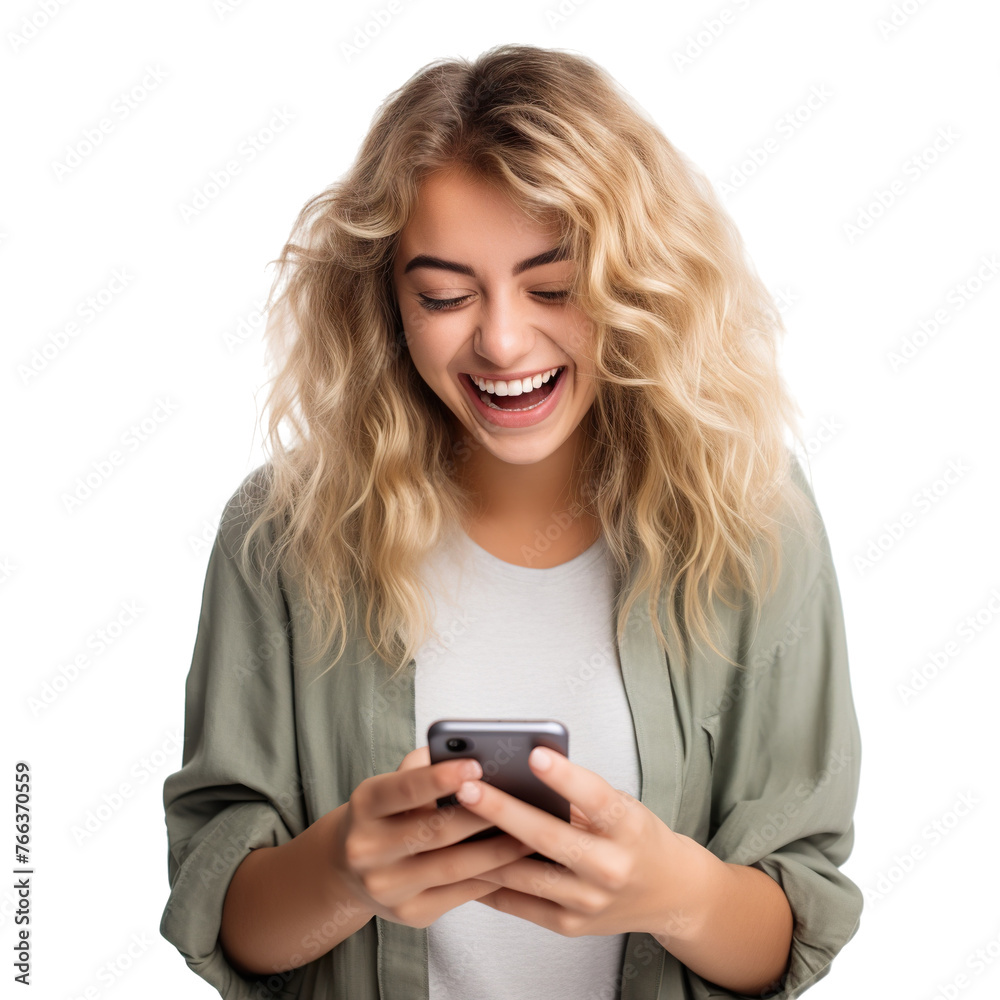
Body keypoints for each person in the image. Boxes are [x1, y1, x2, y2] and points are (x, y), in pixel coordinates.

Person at [160, 43, 862, 1000]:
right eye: (444, 295)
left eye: (552, 286)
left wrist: (672, 892)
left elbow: (791, 929)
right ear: (388, 301)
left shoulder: (751, 514)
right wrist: (342, 873)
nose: (499, 339)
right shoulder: (279, 534)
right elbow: (224, 916)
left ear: (635, 278)